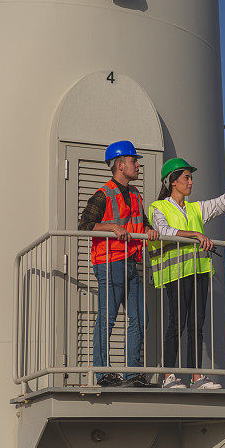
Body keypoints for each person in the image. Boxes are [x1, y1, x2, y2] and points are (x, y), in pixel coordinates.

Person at [148, 157, 225, 389]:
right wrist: (196, 235)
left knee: (197, 324)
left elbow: (223, 201)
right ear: (173, 182)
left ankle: (196, 377)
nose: (191, 182)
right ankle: (169, 376)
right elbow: (164, 231)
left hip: (199, 271)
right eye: (187, 177)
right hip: (176, 273)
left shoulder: (195, 208)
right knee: (177, 324)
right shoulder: (158, 207)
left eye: (191, 178)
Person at [78, 140, 159, 387]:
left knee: (139, 318)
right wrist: (111, 227)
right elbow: (84, 226)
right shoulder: (103, 195)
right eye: (134, 161)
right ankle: (103, 373)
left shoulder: (134, 194)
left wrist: (149, 230)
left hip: (130, 262)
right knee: (108, 317)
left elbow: (141, 222)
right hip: (110, 262)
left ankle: (132, 372)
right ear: (120, 165)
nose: (138, 165)